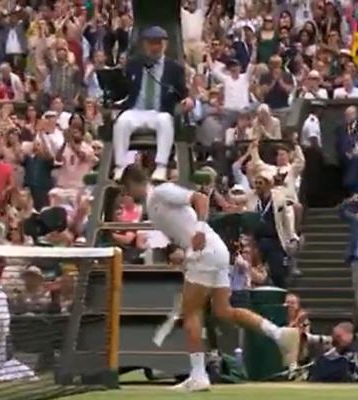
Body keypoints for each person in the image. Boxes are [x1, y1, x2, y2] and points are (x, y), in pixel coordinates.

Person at [123, 166, 299, 392]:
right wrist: (179, 251)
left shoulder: (161, 192)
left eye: (127, 189)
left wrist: (199, 231)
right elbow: (179, 232)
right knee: (223, 311)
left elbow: (200, 199)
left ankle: (198, 375)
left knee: (191, 312)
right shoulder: (152, 205)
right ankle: (280, 334)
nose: (128, 195)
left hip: (206, 252)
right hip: (215, 252)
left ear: (134, 183)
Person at [112, 26, 194, 182]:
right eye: (151, 43)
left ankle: (161, 166)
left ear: (165, 45)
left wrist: (189, 100)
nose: (154, 47)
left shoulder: (174, 68)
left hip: (159, 112)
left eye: (158, 43)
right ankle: (120, 166)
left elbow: (183, 93)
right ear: (144, 45)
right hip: (136, 110)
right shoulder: (134, 64)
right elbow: (121, 91)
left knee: (165, 121)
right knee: (122, 121)